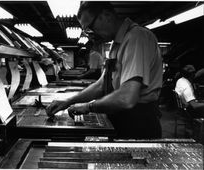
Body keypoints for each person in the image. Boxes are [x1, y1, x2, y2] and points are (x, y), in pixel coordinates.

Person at [46, 1, 162, 139]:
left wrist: (89, 107)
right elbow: (101, 85)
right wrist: (68, 101)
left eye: (90, 28)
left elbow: (126, 98)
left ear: (106, 15)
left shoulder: (136, 38)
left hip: (138, 124)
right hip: (122, 117)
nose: (90, 34)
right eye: (86, 31)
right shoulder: (117, 43)